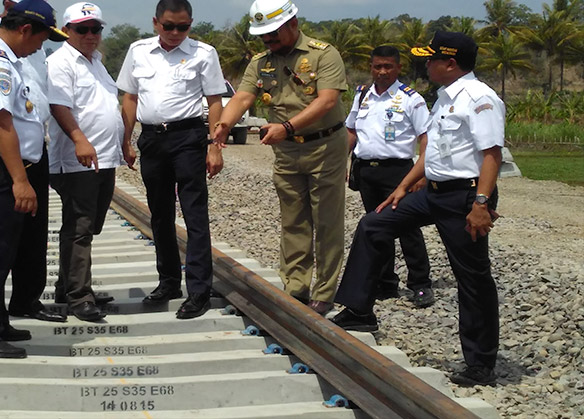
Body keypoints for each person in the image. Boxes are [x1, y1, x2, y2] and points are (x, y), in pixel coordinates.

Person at [332, 31, 504, 387]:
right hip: (433, 192)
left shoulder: (479, 98)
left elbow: (492, 155)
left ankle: (480, 362)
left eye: (432, 59)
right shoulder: (442, 98)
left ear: (450, 63)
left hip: (466, 197)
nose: (426, 64)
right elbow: (433, 155)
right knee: (373, 224)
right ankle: (359, 310)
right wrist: (403, 187)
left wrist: (482, 204)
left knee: (472, 278)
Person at [215, 0, 347, 316]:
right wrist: (223, 124)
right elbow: (243, 96)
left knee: (327, 222)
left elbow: (327, 101)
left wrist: (287, 127)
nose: (268, 40)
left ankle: (325, 291)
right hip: (287, 151)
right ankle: (297, 286)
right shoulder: (262, 61)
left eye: (272, 33)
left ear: (292, 23)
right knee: (294, 221)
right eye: (263, 35)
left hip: (324, 147)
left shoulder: (322, 54)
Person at [0, 0, 68, 358]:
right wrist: (21, 181)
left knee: (2, 250)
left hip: (2, 167)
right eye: (41, 39)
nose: (41, 47)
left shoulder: (6, 58)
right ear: (24, 30)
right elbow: (1, 123)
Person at [116, 0, 225, 319]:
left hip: (188, 138)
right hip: (152, 139)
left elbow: (214, 100)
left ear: (191, 25)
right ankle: (168, 282)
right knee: (160, 215)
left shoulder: (203, 54)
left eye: (183, 27)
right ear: (155, 23)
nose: (176, 32)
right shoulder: (138, 51)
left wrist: (214, 145)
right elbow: (130, 97)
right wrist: (126, 139)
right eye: (169, 26)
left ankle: (199, 290)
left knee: (194, 214)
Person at [46, 2, 123, 322]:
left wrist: (123, 144)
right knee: (79, 227)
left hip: (104, 158)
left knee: (91, 225)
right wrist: (79, 139)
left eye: (96, 29)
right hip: (77, 161)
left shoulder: (97, 62)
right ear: (67, 31)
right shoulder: (61, 62)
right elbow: (59, 106)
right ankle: (79, 296)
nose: (91, 35)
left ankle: (68, 286)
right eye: (83, 29)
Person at [346, 45, 434, 308]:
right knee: (375, 227)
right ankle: (385, 282)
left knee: (407, 228)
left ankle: (420, 284)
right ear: (371, 67)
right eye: (377, 66)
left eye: (388, 67)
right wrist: (342, 162)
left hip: (399, 172)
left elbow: (426, 138)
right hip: (367, 170)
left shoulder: (411, 99)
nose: (382, 72)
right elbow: (351, 130)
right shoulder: (362, 95)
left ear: (398, 68)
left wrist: (422, 172)